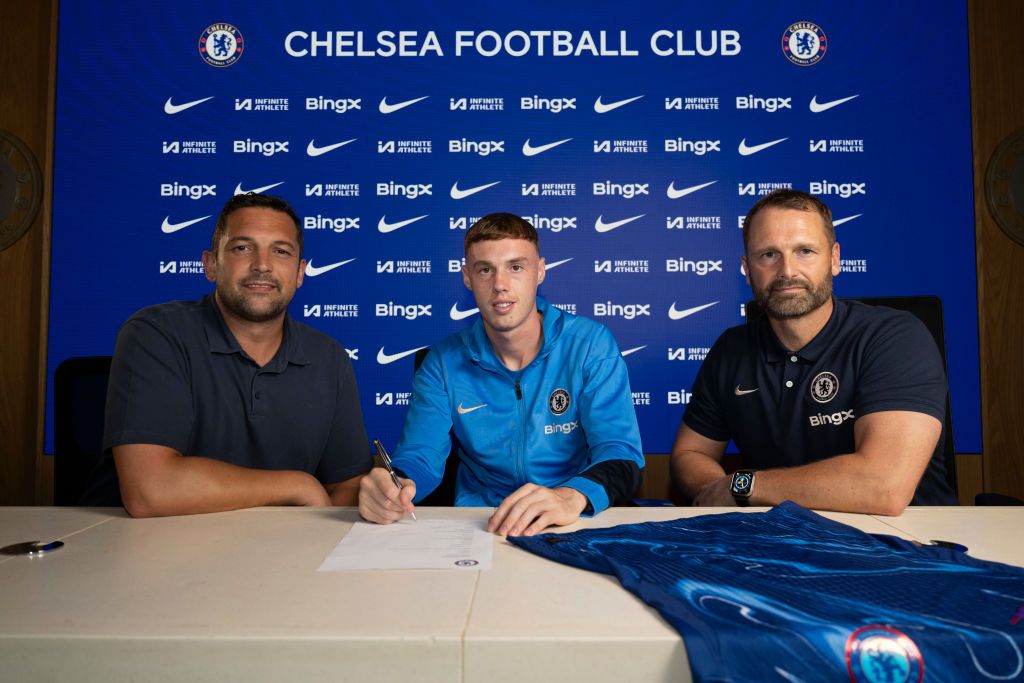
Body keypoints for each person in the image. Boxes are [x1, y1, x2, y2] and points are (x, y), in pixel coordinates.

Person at [670, 189, 956, 514]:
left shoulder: (895, 337)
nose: (787, 271)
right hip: (780, 543)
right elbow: (689, 455)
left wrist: (743, 487)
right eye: (768, 255)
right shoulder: (731, 349)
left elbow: (882, 488)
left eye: (805, 251)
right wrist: (718, 492)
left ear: (834, 259)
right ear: (747, 267)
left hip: (906, 547)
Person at [358, 213, 645, 536]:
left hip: (572, 518)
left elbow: (621, 454)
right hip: (480, 524)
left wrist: (571, 496)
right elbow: (420, 457)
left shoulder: (590, 345)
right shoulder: (442, 362)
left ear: (540, 271)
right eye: (485, 270)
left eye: (516, 267)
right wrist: (395, 486)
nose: (500, 285)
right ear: (467, 278)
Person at [102, 193, 371, 517]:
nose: (262, 265)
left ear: (299, 274)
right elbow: (150, 490)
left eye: (281, 251)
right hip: (160, 554)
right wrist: (298, 487)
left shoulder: (329, 357)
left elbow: (349, 485)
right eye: (242, 248)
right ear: (211, 264)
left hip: (285, 556)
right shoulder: (156, 333)